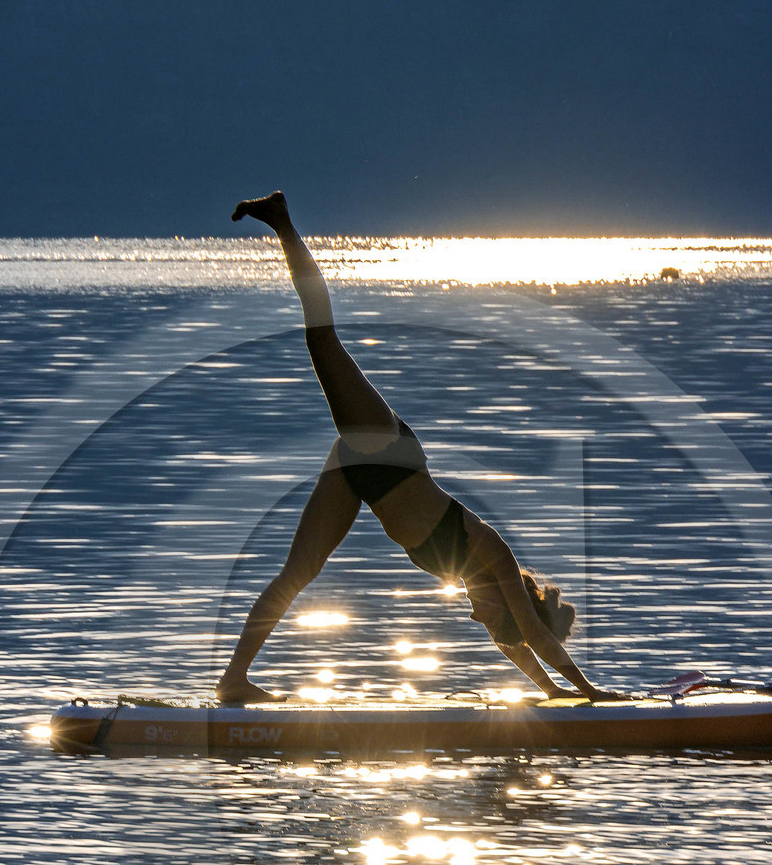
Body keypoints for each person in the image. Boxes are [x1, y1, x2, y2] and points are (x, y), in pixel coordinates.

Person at [217, 193, 621, 704]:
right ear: (512, 606)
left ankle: (232, 682)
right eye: (494, 619)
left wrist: (554, 695)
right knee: (322, 341)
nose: (476, 620)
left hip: (360, 477)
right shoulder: (494, 554)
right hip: (389, 452)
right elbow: (533, 638)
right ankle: (282, 221)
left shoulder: (476, 584)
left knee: (299, 573)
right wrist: (590, 693)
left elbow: (517, 646)